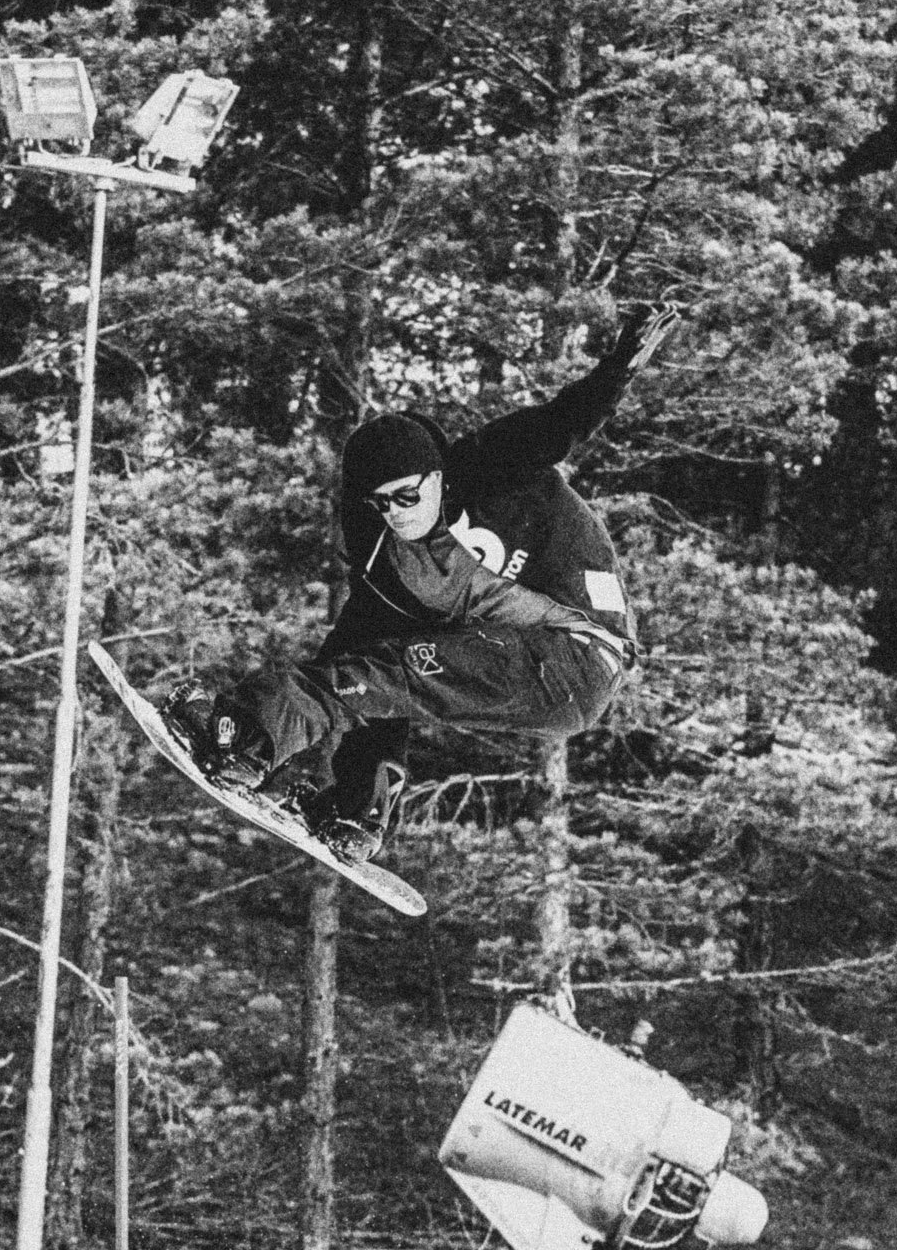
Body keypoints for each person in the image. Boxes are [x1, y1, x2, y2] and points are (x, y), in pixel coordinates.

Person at [165, 303, 679, 861]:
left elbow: (559, 424)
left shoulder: (489, 467)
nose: (397, 513)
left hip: (577, 654)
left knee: (374, 675)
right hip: (525, 665)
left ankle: (240, 738)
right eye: (381, 503)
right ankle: (359, 808)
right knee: (373, 672)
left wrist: (617, 368)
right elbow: (353, 656)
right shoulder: (391, 565)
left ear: (437, 477)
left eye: (408, 496)